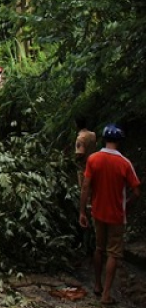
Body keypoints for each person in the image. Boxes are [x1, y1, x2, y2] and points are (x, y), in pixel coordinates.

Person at [79, 124, 140, 305]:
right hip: (116, 216)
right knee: (113, 253)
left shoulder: (93, 159)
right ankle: (106, 295)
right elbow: (136, 191)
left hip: (97, 212)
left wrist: (82, 211)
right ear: (119, 141)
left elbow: (85, 186)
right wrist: (127, 204)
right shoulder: (124, 163)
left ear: (104, 139)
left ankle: (97, 285)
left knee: (99, 248)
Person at [75, 118, 98, 186]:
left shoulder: (80, 138)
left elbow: (80, 153)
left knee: (84, 187)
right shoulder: (93, 134)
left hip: (84, 167)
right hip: (94, 164)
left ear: (77, 125)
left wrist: (75, 160)